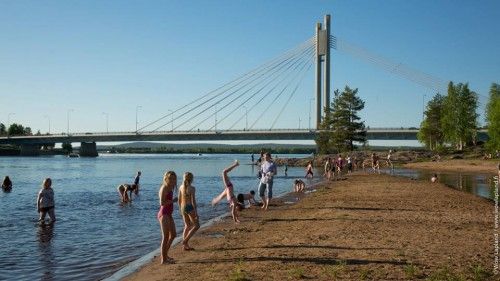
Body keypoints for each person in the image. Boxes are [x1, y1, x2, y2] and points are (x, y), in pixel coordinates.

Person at [157, 171, 178, 264]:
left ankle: (165, 255)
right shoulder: (164, 188)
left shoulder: (171, 187)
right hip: (163, 214)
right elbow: (161, 203)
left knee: (173, 235)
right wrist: (173, 201)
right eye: (170, 178)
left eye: (174, 178)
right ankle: (163, 259)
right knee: (165, 237)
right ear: (166, 178)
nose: (172, 180)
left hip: (169, 214)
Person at [178, 172, 199, 251]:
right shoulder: (192, 188)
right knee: (197, 226)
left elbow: (179, 200)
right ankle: (185, 241)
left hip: (183, 207)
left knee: (187, 226)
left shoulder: (181, 187)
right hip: (189, 207)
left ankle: (185, 246)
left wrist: (180, 209)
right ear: (191, 179)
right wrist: (196, 212)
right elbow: (193, 201)